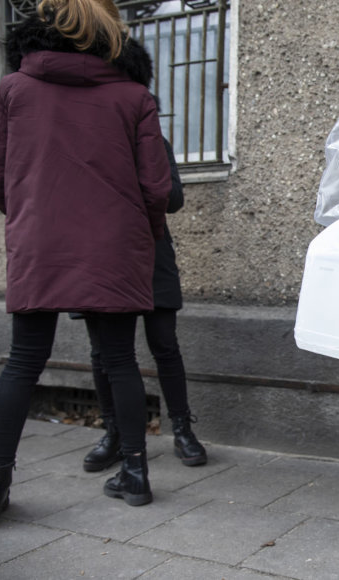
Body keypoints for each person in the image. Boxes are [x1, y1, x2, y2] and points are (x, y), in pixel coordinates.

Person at [0, 0, 171, 522]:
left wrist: (32, 219)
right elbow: (156, 186)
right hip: (116, 242)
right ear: (113, 32)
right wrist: (144, 234)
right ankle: (135, 475)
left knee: (23, 360)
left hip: (40, 241)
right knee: (120, 359)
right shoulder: (135, 96)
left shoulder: (15, 89)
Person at [80, 135, 208, 473]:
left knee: (164, 343)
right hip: (97, 253)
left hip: (152, 250)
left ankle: (181, 429)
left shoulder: (151, 139)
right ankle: (114, 434)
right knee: (102, 352)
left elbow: (174, 198)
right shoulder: (84, 134)